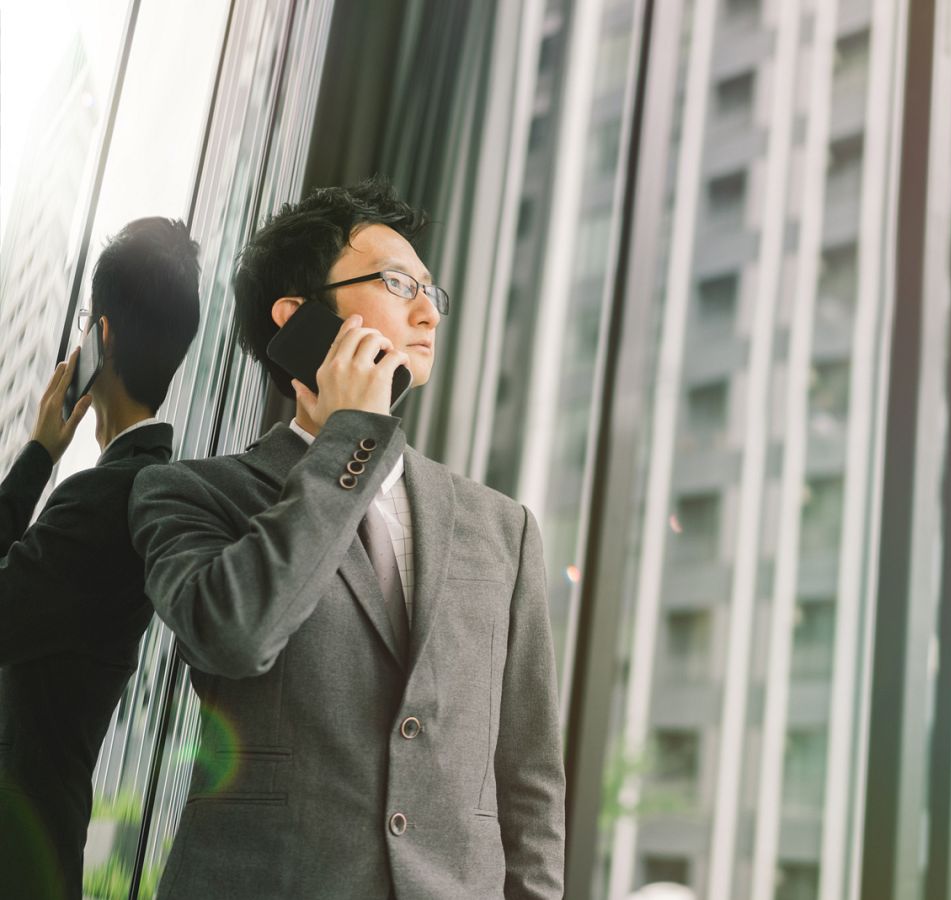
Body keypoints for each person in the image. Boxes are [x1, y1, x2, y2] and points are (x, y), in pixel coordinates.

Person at [129, 177, 563, 899]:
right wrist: (352, 438)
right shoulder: (189, 494)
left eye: (431, 291)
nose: (428, 311)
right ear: (297, 317)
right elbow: (236, 634)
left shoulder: (502, 528)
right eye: (397, 284)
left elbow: (530, 779)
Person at [0, 217, 201, 899]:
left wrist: (36, 458)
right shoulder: (145, 483)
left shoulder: (106, 498)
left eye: (87, 322)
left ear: (104, 334)